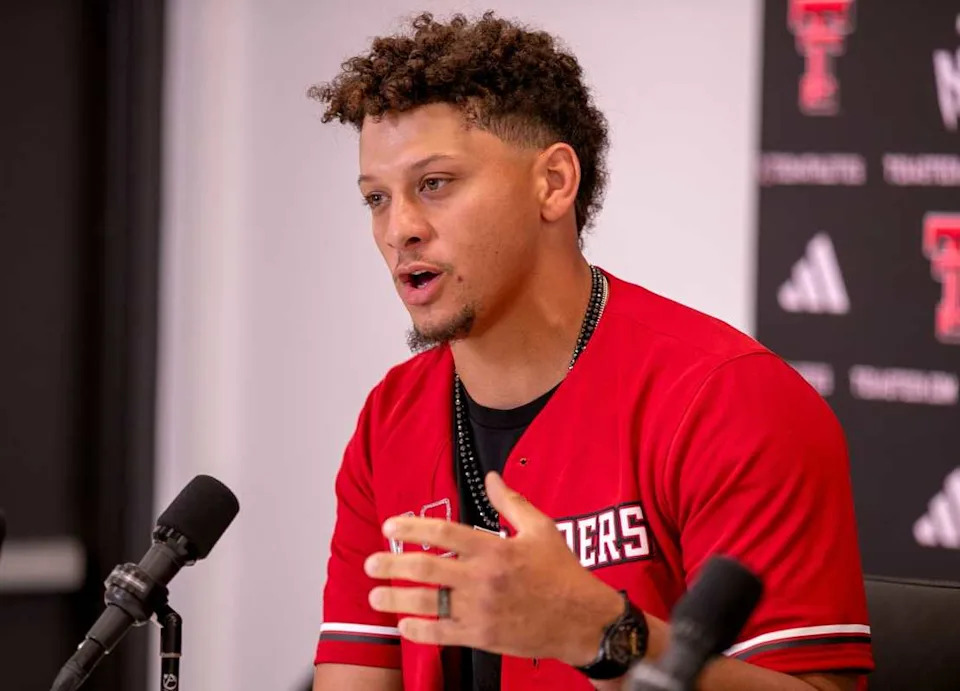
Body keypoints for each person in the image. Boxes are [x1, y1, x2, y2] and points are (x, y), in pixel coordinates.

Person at [308, 11, 873, 691]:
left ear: (552, 183)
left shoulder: (728, 398)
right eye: (376, 197)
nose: (399, 229)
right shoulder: (389, 419)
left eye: (435, 184)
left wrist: (604, 634)